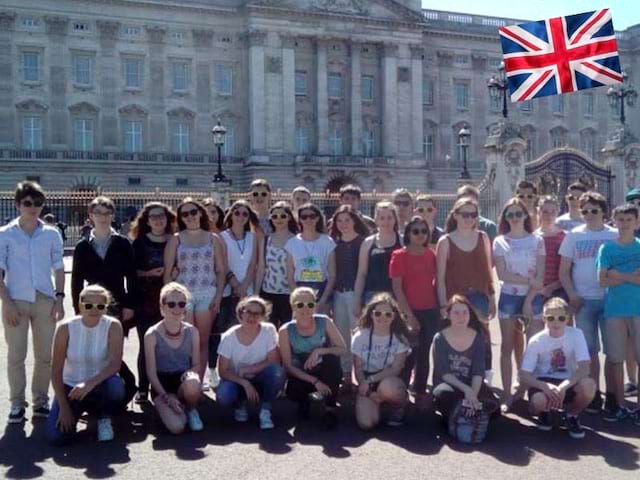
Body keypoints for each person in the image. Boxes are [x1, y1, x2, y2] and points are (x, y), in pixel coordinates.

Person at [0, 181, 65, 424]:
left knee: (44, 356)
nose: (33, 207)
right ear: (18, 205)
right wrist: (6, 303)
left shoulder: (51, 233)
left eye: (38, 203)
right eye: (28, 203)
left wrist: (59, 299)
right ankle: (17, 404)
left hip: (44, 300)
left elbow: (59, 268)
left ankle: (41, 401)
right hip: (15, 299)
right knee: (16, 355)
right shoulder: (5, 234)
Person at [71, 196, 137, 406]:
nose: (103, 217)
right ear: (90, 216)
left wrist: (129, 304)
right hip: (91, 305)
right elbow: (76, 280)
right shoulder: (82, 246)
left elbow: (132, 277)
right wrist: (77, 308)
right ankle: (107, 388)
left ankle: (124, 386)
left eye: (107, 213)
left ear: (112, 216)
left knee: (112, 348)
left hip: (117, 303)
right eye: (98, 213)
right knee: (98, 347)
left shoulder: (122, 243)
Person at [559, 191, 618, 414]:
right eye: (585, 211)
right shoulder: (573, 235)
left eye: (594, 210)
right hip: (583, 301)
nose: (590, 215)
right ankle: (594, 394)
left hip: (611, 299)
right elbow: (564, 271)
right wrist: (572, 294)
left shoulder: (614, 235)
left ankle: (613, 393)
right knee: (589, 351)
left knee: (613, 352)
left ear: (604, 211)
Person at [47, 285, 125, 444]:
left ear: (106, 307)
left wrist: (89, 384)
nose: (94, 310)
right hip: (71, 389)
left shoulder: (113, 326)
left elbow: (115, 365)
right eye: (89, 305)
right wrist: (63, 407)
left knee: (116, 386)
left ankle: (104, 417)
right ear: (80, 305)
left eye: (100, 306)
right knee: (56, 438)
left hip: (100, 385)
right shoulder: (65, 328)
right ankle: (76, 412)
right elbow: (55, 371)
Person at [164, 198, 225, 385]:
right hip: (183, 296)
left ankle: (199, 379)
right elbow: (168, 272)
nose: (190, 217)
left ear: (200, 213)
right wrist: (167, 299)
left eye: (193, 212)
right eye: (185, 214)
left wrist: (218, 296)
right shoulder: (176, 239)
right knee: (188, 340)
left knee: (203, 341)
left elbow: (221, 270)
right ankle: (185, 380)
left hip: (207, 293)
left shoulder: (213, 238)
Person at [493, 198, 546, 407]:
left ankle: (527, 389)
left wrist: (529, 298)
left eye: (518, 214)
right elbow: (503, 274)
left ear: (526, 215)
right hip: (509, 297)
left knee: (533, 348)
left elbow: (540, 277)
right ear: (505, 218)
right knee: (507, 347)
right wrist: (528, 281)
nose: (514, 218)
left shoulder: (537, 240)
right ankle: (506, 394)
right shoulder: (500, 241)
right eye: (510, 215)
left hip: (533, 298)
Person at [519, 297, 595, 439]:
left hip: (568, 380)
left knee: (589, 385)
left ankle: (572, 415)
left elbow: (585, 367)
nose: (556, 322)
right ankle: (544, 412)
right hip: (543, 381)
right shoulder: (536, 340)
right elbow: (524, 374)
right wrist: (544, 386)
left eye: (561, 318)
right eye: (550, 318)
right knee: (538, 401)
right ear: (544, 318)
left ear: (567, 318)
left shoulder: (576, 334)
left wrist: (564, 387)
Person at [279, 287, 347, 429]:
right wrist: (315, 382)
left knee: (332, 361)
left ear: (315, 306)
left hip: (323, 367)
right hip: (302, 371)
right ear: (293, 307)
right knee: (292, 390)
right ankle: (304, 401)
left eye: (310, 304)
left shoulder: (325, 321)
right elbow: (287, 366)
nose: (305, 308)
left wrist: (319, 351)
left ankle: (330, 407)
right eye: (300, 305)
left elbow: (342, 349)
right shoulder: (285, 330)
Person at [597, 203, 640, 423]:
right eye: (620, 220)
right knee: (615, 359)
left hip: (638, 309)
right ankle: (620, 405)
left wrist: (617, 275)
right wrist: (631, 276)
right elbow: (602, 280)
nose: (624, 224)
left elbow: (613, 277)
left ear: (636, 222)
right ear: (615, 222)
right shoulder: (607, 249)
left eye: (628, 220)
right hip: (614, 310)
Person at [130, 202, 177, 404]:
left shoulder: (175, 240)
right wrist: (149, 273)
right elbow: (131, 273)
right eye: (153, 216)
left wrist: (177, 272)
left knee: (168, 345)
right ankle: (142, 387)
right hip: (146, 299)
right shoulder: (138, 243)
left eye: (162, 216)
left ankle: (165, 387)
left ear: (168, 219)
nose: (158, 219)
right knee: (146, 344)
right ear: (147, 221)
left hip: (172, 301)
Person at [216, 296, 285, 430]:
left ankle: (265, 410)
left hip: (261, 378)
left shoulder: (268, 331)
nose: (252, 317)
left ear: (263, 316)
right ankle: (239, 405)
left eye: (257, 313)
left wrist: (249, 370)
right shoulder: (229, 337)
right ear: (241, 312)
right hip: (237, 380)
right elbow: (222, 371)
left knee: (276, 371)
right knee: (224, 395)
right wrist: (245, 383)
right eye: (248, 312)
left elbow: (274, 361)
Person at [144, 283, 203, 434]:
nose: (177, 308)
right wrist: (165, 396)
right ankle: (170, 409)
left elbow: (197, 364)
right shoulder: (152, 334)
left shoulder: (192, 332)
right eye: (171, 304)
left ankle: (191, 409)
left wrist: (189, 374)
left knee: (193, 382)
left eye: (181, 304)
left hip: (182, 381)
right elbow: (151, 372)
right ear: (162, 307)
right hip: (162, 385)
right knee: (177, 427)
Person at [390, 217, 439, 396]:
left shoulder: (431, 254)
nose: (420, 235)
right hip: (408, 312)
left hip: (430, 310)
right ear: (408, 233)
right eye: (416, 231)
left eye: (424, 231)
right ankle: (400, 393)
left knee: (424, 353)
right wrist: (409, 315)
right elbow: (397, 287)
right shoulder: (399, 256)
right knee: (408, 354)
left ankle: (420, 391)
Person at [432, 295, 498, 424]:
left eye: (464, 312)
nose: (461, 317)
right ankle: (460, 412)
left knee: (495, 408)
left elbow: (478, 371)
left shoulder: (478, 337)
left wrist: (472, 394)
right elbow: (445, 373)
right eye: (456, 313)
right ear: (449, 315)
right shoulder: (440, 338)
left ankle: (465, 411)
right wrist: (467, 391)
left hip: (471, 383)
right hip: (449, 384)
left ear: (470, 314)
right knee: (443, 395)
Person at [351, 293, 411, 429]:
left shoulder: (400, 338)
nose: (382, 317)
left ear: (394, 316)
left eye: (388, 314)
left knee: (389, 388)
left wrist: (371, 380)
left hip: (388, 379)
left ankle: (401, 404)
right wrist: (366, 389)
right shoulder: (360, 336)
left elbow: (395, 370)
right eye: (378, 313)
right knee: (366, 424)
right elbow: (358, 368)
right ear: (371, 314)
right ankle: (378, 405)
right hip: (366, 379)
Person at [329, 205, 369, 386]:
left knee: (359, 336)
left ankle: (361, 375)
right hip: (338, 293)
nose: (343, 224)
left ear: (354, 221)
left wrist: (359, 299)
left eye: (347, 220)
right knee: (342, 335)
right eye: (339, 220)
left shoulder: (363, 242)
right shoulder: (333, 243)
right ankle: (346, 375)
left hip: (355, 294)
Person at [437, 197, 495, 322]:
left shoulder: (483, 237)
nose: (469, 219)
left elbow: (488, 272)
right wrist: (443, 305)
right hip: (455, 301)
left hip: (480, 300)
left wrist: (492, 299)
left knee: (481, 339)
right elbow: (440, 278)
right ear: (456, 216)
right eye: (465, 215)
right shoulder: (445, 241)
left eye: (473, 215)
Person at [523, 196, 566, 336]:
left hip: (559, 291)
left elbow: (569, 269)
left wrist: (551, 287)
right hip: (535, 291)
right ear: (538, 212)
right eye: (545, 211)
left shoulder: (565, 237)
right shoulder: (530, 238)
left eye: (553, 211)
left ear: (557, 212)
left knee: (560, 337)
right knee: (534, 336)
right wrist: (539, 288)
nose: (549, 215)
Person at [353, 201, 402, 316]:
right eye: (382, 218)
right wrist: (356, 300)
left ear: (395, 219)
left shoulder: (403, 241)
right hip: (372, 295)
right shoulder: (368, 243)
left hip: (397, 295)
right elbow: (362, 273)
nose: (386, 221)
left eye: (389, 217)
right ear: (376, 220)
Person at [285, 203, 336, 313]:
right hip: (300, 288)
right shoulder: (292, 243)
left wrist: (323, 300)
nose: (308, 219)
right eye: (304, 217)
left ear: (318, 218)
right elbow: (290, 275)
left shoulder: (327, 242)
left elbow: (332, 274)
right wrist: (297, 297)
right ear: (300, 220)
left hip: (322, 287)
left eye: (312, 216)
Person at [219, 200, 259, 330]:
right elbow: (223, 264)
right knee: (226, 327)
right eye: (237, 213)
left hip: (247, 290)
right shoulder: (221, 237)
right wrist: (236, 285)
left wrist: (244, 287)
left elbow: (253, 264)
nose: (240, 217)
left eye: (245, 214)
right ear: (231, 215)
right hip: (227, 290)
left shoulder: (252, 237)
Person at [256, 201, 297, 327]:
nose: (279, 219)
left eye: (283, 216)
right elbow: (261, 268)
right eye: (275, 216)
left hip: (288, 293)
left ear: (289, 217)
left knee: (287, 330)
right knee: (269, 330)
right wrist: (257, 293)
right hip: (268, 292)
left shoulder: (296, 240)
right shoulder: (266, 239)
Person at [624, 187, 640, 397]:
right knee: (628, 341)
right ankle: (632, 381)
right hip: (624, 295)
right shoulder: (620, 229)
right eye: (634, 203)